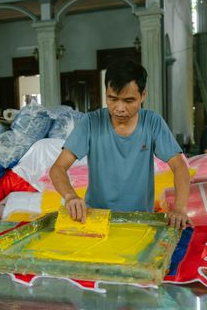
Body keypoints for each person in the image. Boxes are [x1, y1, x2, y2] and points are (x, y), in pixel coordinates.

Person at [49, 60, 191, 230]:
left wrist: (180, 208)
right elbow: (58, 168)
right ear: (106, 93)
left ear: (143, 95)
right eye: (112, 99)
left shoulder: (152, 123)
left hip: (140, 221)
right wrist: (70, 197)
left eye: (129, 100)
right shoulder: (91, 123)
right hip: (96, 219)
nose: (119, 108)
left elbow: (179, 166)